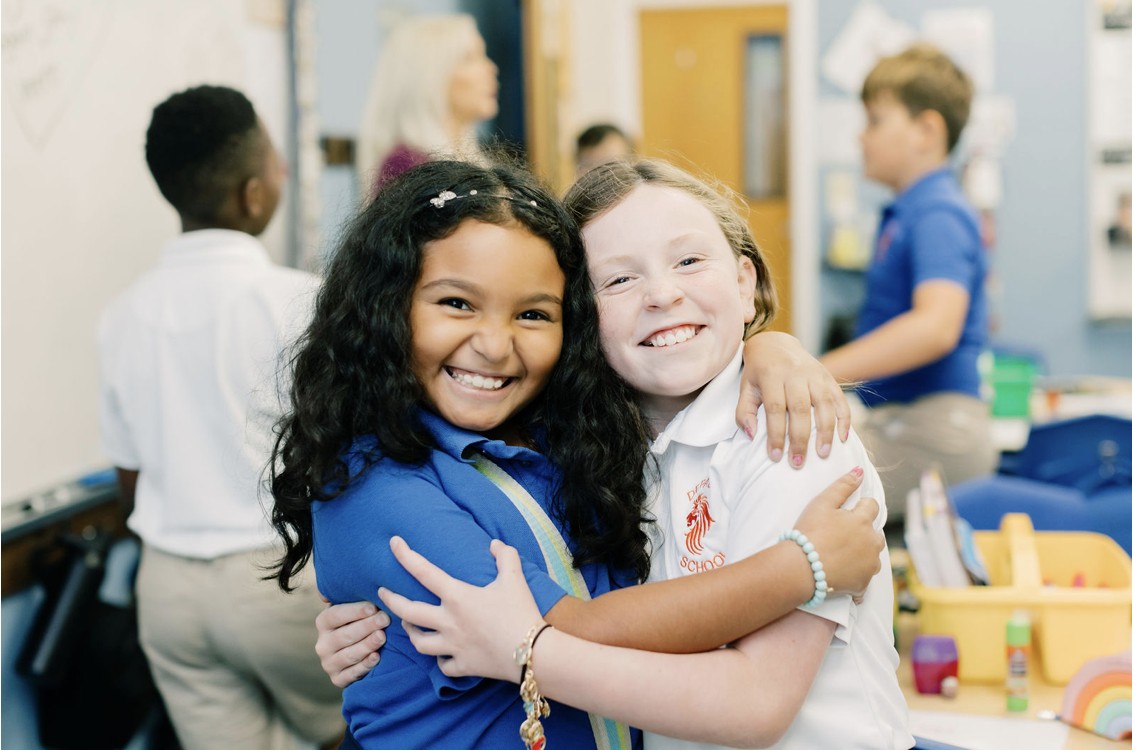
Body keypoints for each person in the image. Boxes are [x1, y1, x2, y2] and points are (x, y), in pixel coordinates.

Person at [268, 159, 886, 749]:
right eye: (619, 279)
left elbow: (745, 694)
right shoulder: (385, 485)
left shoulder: (780, 430)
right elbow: (574, 625)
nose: (493, 342)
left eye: (533, 313)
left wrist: (771, 348)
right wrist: (802, 567)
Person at [97, 85, 346, 748]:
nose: (283, 170)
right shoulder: (299, 304)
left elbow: (129, 480)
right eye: (274, 160)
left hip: (168, 592)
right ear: (253, 195)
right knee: (361, 729)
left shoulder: (121, 316)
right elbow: (341, 454)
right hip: (277, 580)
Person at [820, 44, 997, 519]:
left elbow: (935, 326)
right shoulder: (912, 209)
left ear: (927, 130)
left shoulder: (938, 209)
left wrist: (818, 372)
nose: (862, 138)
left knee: (796, 488)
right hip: (910, 418)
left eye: (875, 121)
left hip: (937, 430)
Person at [355, 13, 499, 199]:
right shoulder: (406, 167)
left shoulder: (472, 161)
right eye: (470, 58)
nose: (490, 69)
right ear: (431, 77)